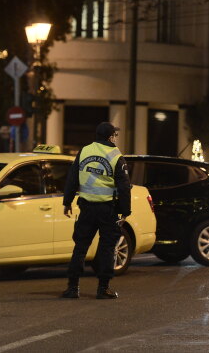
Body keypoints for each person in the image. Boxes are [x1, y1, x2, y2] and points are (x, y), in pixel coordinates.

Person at [61, 122, 132, 300]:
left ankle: (72, 287)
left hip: (86, 207)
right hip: (107, 209)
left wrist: (67, 201)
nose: (115, 138)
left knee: (80, 247)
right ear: (109, 137)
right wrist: (125, 211)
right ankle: (103, 288)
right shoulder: (116, 155)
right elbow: (124, 187)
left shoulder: (84, 151)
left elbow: (72, 178)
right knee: (107, 248)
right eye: (114, 135)